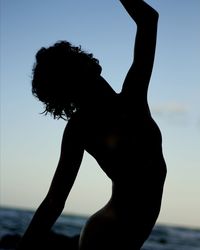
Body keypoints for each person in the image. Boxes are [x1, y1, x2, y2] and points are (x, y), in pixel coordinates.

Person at [17, 0, 167, 249]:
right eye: (80, 64)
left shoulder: (130, 98)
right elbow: (54, 201)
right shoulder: (84, 127)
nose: (93, 66)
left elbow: (149, 19)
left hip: (115, 230)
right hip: (109, 234)